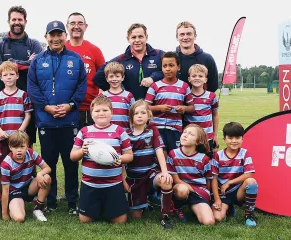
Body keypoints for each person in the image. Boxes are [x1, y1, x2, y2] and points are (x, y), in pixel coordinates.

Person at [27, 20, 87, 214]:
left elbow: (81, 87)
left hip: (69, 122)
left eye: (59, 34)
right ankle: (50, 202)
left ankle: (72, 202)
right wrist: (47, 107)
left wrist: (70, 106)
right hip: (47, 122)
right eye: (52, 35)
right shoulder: (37, 61)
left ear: (65, 36)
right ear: (46, 37)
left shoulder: (76, 59)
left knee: (71, 164)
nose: (56, 38)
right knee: (48, 164)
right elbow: (32, 88)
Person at [70, 96, 133, 223]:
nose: (101, 113)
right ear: (91, 114)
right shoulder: (84, 132)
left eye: (105, 110)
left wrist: (120, 158)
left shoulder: (119, 131)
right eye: (97, 111)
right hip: (90, 184)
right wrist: (82, 151)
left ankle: (107, 207)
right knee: (85, 220)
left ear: (112, 113)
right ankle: (98, 208)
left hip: (113, 184)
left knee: (120, 221)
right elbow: (72, 156)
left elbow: (130, 155)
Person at [0, 6, 41, 148]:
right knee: (3, 149)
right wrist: (26, 63)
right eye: (14, 19)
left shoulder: (34, 44)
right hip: (4, 104)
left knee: (26, 146)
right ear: (8, 21)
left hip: (28, 101)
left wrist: (9, 63)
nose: (17, 22)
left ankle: (29, 171)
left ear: (25, 21)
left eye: (20, 19)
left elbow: (37, 66)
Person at [123, 100, 173, 229]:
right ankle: (146, 202)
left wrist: (164, 172)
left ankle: (165, 215)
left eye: (143, 113)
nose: (139, 115)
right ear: (131, 117)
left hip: (151, 174)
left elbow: (159, 152)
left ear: (149, 115)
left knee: (166, 181)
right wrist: (123, 180)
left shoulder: (153, 131)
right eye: (136, 113)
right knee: (136, 216)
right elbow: (122, 161)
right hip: (135, 179)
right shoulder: (125, 135)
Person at [0, 61, 33, 205]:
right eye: (5, 75)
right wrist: (0, 131)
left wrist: (20, 131)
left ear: (17, 76)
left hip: (19, 140)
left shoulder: (23, 95)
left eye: (11, 74)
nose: (8, 77)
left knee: (23, 166)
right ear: (1, 78)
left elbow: (28, 115)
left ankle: (24, 193)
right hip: (3, 139)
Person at [94, 23, 163, 101]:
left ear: (146, 37)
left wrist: (153, 78)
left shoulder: (159, 55)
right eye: (133, 37)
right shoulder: (121, 60)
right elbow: (98, 77)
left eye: (140, 36)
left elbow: (174, 72)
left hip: (158, 107)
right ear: (128, 39)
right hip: (132, 108)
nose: (137, 40)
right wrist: (116, 90)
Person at [145, 52, 194, 152]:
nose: (168, 69)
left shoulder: (184, 86)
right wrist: (159, 108)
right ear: (161, 68)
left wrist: (184, 109)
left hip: (175, 129)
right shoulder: (155, 86)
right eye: (165, 66)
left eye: (171, 65)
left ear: (178, 67)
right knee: (159, 156)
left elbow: (192, 107)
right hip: (157, 129)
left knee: (174, 155)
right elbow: (145, 107)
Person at [166, 124, 215, 225]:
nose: (185, 135)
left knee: (209, 222)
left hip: (199, 190)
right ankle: (177, 207)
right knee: (182, 190)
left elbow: (208, 180)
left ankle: (194, 208)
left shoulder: (204, 159)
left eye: (191, 134)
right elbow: (176, 180)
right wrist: (193, 190)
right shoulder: (173, 154)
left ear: (197, 142)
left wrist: (208, 197)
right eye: (184, 132)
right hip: (181, 187)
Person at [212, 122, 258, 226]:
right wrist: (217, 199)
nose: (234, 141)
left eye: (237, 138)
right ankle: (230, 208)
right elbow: (213, 178)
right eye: (230, 137)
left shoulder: (245, 153)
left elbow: (249, 174)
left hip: (238, 192)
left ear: (242, 139)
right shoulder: (218, 156)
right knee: (217, 218)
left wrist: (229, 182)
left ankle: (249, 214)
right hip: (223, 193)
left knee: (251, 181)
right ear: (224, 139)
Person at [1, 131, 52, 222]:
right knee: (19, 218)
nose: (19, 150)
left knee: (46, 177)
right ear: (10, 147)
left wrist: (39, 174)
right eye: (15, 147)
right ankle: (13, 206)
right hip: (14, 191)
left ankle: (38, 209)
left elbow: (47, 168)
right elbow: (5, 190)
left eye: (22, 146)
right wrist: (4, 214)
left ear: (27, 146)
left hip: (29, 187)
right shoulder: (6, 164)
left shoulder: (31, 154)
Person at [65, 12, 105, 128]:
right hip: (67, 108)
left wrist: (101, 93)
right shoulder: (62, 49)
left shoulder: (94, 50)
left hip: (89, 108)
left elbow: (104, 75)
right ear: (67, 27)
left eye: (80, 23)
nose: (76, 26)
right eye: (72, 23)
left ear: (85, 27)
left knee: (89, 144)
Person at [184, 64, 219, 154]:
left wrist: (215, 135)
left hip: (207, 137)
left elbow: (215, 115)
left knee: (207, 163)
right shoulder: (185, 96)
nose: (197, 78)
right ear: (189, 79)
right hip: (190, 138)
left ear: (205, 79)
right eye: (194, 76)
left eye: (200, 76)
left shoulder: (212, 96)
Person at [174, 21, 219, 93]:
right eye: (182, 34)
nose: (185, 37)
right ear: (177, 37)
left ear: (195, 36)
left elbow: (213, 86)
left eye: (189, 34)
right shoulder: (171, 59)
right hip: (176, 102)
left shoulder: (207, 58)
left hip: (199, 103)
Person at [99, 62, 134, 129]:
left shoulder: (129, 95)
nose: (114, 79)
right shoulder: (102, 96)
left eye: (117, 76)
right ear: (106, 78)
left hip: (125, 132)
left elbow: (133, 115)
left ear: (122, 77)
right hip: (108, 133)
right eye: (111, 76)